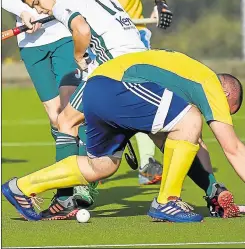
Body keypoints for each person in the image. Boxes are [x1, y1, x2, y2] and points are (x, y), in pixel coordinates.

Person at [2, 48, 244, 222]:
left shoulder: (183, 83)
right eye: (225, 109)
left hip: (98, 87)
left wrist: (212, 188)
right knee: (191, 117)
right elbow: (233, 148)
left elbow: (181, 144)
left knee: (102, 166)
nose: (219, 115)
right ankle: (167, 200)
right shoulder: (209, 84)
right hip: (118, 86)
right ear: (224, 91)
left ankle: (21, 187)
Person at [2, 0, 115, 209]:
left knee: (68, 114)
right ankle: (75, 179)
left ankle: (70, 192)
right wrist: (23, 11)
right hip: (32, 43)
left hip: (67, 35)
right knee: (56, 120)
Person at [16, 0, 147, 219]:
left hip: (117, 72)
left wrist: (78, 55)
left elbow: (83, 30)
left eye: (37, 2)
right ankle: (211, 189)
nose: (40, 9)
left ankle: (64, 196)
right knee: (169, 131)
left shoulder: (64, 0)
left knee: (65, 121)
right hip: (142, 64)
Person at [76, 0, 173, 185]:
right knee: (94, 95)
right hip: (98, 35)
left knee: (141, 90)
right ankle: (95, 159)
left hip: (134, 31)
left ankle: (147, 164)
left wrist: (160, 2)